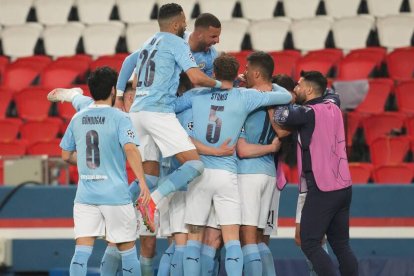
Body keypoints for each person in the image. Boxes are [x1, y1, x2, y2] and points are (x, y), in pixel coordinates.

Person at [172, 54, 292, 276]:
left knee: (195, 238)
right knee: (232, 238)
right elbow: (284, 96)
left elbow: (172, 105)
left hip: (200, 173)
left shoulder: (197, 94)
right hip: (227, 175)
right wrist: (268, 82)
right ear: (235, 74)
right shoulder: (244, 96)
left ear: (214, 73)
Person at [59, 67, 151, 276]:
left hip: (86, 196)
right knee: (127, 251)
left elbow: (65, 155)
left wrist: (83, 161)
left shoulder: (78, 118)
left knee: (81, 252)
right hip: (115, 195)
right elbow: (130, 149)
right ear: (113, 90)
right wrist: (142, 182)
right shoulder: (119, 118)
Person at [273, 71, 358, 276]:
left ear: (309, 89)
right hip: (344, 186)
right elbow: (330, 93)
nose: (295, 89)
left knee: (309, 242)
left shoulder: (307, 113)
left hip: (322, 187)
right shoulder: (333, 105)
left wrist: (285, 96)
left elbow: (280, 115)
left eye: (299, 85)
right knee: (341, 245)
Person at [236, 53, 291, 276]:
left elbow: (241, 149)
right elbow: (286, 94)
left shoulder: (245, 97)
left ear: (256, 73)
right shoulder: (279, 97)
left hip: (248, 171)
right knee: (259, 238)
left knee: (247, 237)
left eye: (247, 69)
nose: (244, 73)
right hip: (269, 172)